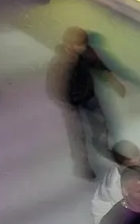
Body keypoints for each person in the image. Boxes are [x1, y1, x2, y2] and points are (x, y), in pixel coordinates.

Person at [49, 27, 125, 180]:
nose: (83, 48)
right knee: (77, 135)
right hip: (72, 104)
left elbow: (98, 65)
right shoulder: (60, 63)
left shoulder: (86, 53)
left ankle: (102, 147)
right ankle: (82, 165)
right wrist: (67, 103)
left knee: (101, 124)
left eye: (84, 44)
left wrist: (114, 81)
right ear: (69, 44)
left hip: (89, 97)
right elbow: (53, 87)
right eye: (79, 45)